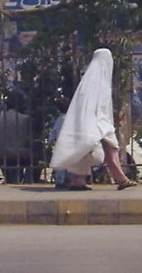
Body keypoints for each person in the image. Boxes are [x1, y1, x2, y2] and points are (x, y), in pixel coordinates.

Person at [50, 48, 137, 191]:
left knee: (88, 152)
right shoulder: (99, 81)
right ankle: (121, 179)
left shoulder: (88, 81)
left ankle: (78, 180)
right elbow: (100, 106)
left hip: (91, 123)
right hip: (99, 122)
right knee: (112, 148)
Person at [48, 97, 71, 189]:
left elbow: (54, 132)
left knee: (61, 164)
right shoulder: (71, 119)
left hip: (60, 144)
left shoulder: (59, 119)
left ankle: (60, 180)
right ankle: (68, 179)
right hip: (70, 144)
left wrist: (52, 141)